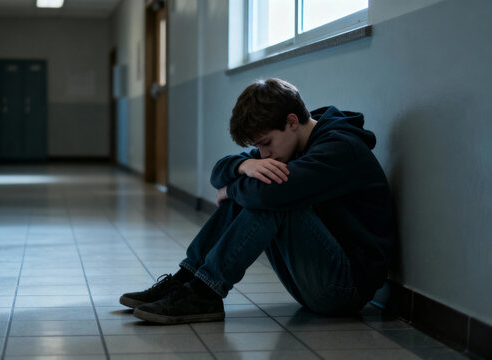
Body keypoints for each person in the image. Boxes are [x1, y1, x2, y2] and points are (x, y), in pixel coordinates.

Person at [120, 78, 395, 324]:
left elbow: (266, 194)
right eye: (258, 147)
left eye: (265, 143)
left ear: (291, 122)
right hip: (314, 279)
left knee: (270, 197)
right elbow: (219, 171)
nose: (263, 154)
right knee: (259, 183)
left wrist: (230, 189)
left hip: (344, 290)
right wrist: (243, 167)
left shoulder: (338, 149)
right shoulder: (290, 144)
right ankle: (187, 279)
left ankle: (205, 292)